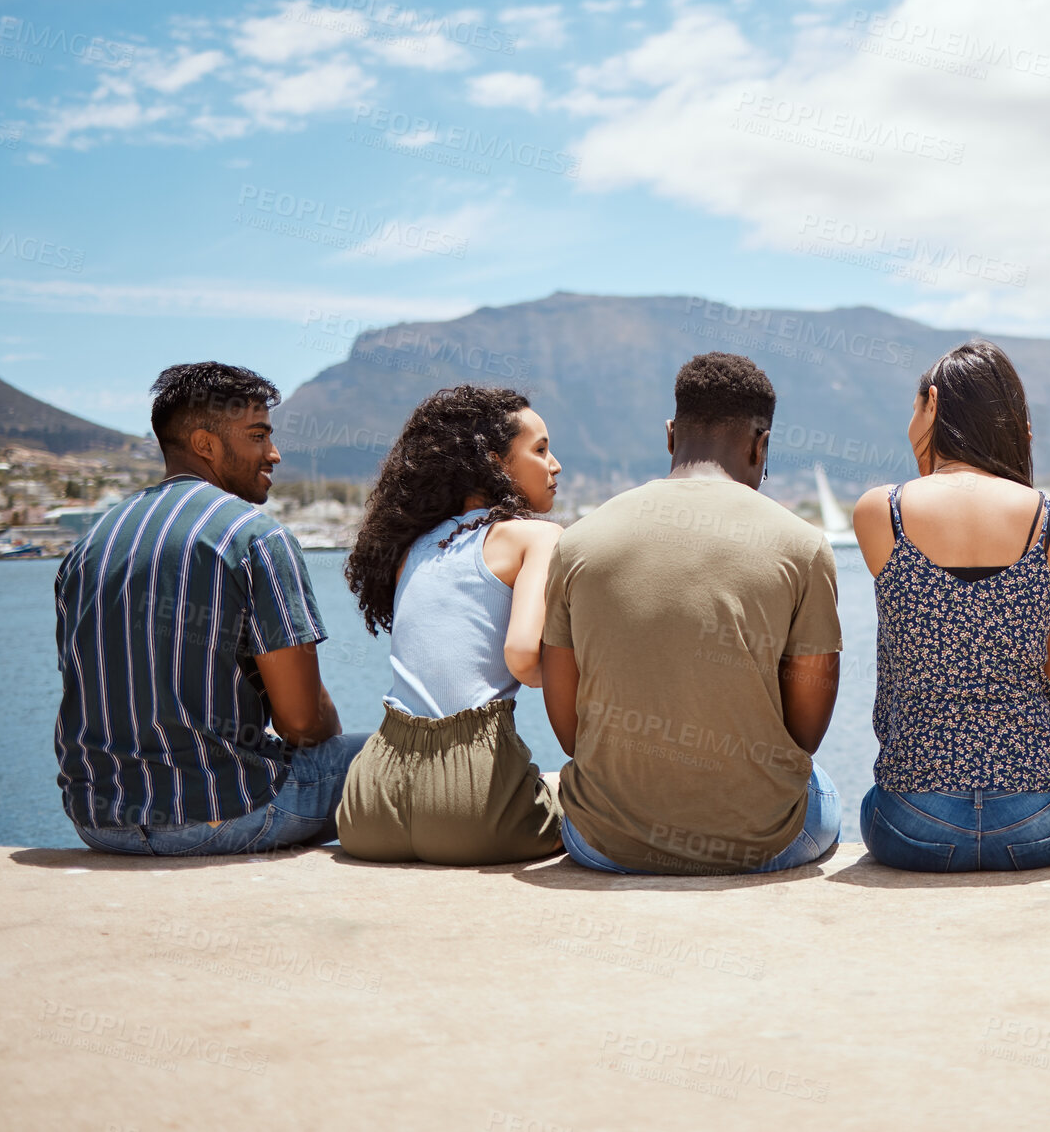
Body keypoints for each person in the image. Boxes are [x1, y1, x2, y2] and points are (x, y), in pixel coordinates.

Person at [541, 352, 843, 875]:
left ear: (670, 434)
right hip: (762, 844)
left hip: (604, 844)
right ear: (761, 444)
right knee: (824, 787)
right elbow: (804, 736)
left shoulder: (579, 542)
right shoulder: (803, 546)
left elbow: (570, 733)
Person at [55, 362, 367, 855]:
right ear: (206, 444)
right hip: (228, 815)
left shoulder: (89, 545)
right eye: (258, 436)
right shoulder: (256, 537)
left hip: (99, 822)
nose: (274, 453)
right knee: (394, 754)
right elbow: (304, 723)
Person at [851, 340, 1050, 872]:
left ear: (932, 403)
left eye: (915, 408)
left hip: (913, 821)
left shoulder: (879, 513)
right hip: (1042, 819)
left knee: (869, 805)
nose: (909, 421)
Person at [336, 387, 564, 864]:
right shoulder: (536, 536)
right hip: (473, 803)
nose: (554, 465)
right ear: (494, 461)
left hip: (372, 800)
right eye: (540, 450)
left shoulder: (412, 548)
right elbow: (523, 655)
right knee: (582, 798)